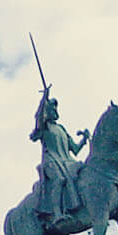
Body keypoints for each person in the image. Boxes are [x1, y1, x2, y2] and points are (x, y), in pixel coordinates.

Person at [31, 91, 88, 222]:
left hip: (67, 162)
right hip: (51, 161)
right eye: (52, 108)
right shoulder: (44, 127)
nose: (55, 110)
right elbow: (38, 117)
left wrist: (84, 140)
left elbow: (75, 149)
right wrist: (44, 98)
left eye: (55, 108)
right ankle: (56, 213)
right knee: (59, 180)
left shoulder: (61, 129)